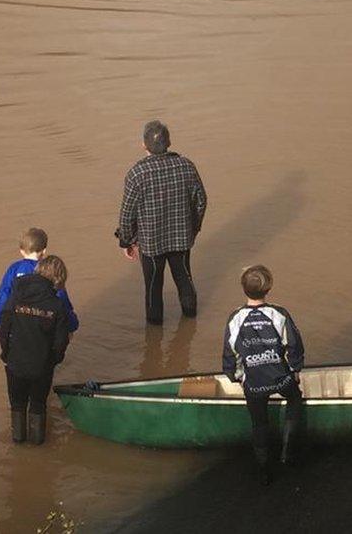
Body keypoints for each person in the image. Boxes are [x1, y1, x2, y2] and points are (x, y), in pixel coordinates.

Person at [116, 120, 207, 325]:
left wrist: (126, 242)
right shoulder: (186, 166)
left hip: (150, 243)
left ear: (143, 145)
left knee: (153, 288)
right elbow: (201, 201)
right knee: (185, 280)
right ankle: (191, 320)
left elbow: (127, 213)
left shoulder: (137, 174)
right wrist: (193, 228)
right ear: (169, 142)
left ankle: (154, 335)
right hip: (182, 238)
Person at [222, 265, 304, 484]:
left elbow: (230, 354)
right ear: (269, 287)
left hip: (254, 382)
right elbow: (294, 346)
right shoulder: (279, 314)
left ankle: (264, 469)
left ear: (243, 288)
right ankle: (288, 453)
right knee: (295, 399)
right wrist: (295, 370)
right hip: (280, 376)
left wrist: (235, 376)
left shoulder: (235, 318)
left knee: (259, 423)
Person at [0, 256, 72, 445]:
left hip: (15, 363)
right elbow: (61, 341)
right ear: (58, 279)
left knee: (17, 405)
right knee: (38, 405)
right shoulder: (57, 305)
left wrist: (6, 353)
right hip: (41, 367)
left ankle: (18, 442)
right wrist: (53, 361)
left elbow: (3, 326)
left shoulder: (16, 296)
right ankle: (37, 446)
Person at [0, 227, 79, 333]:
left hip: (16, 325)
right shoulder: (48, 269)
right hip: (42, 325)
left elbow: (2, 296)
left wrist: (0, 324)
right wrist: (72, 324)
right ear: (44, 251)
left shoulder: (13, 269)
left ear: (22, 251)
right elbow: (61, 297)